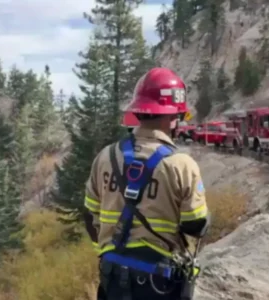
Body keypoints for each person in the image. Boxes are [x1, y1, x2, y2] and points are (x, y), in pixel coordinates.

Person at [83, 67, 211, 300]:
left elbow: (89, 215)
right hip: (158, 282)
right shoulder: (181, 164)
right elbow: (196, 224)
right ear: (174, 118)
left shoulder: (105, 157)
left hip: (112, 276)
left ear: (138, 111)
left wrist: (106, 252)